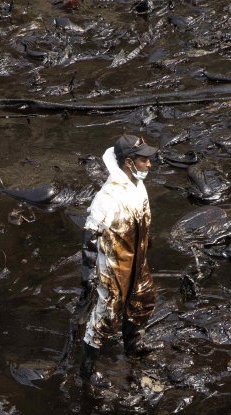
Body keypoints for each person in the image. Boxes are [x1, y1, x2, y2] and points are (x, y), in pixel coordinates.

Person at [76, 134, 159, 388]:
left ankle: (133, 346)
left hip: (138, 260)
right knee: (105, 317)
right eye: (144, 160)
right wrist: (87, 278)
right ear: (128, 162)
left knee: (144, 299)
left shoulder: (137, 185)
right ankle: (86, 370)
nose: (149, 164)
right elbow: (90, 237)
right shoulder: (108, 196)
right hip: (114, 267)